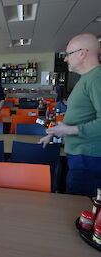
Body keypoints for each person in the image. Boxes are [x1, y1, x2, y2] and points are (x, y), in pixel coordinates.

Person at [39, 33, 101, 196]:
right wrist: (55, 133)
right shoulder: (87, 79)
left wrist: (68, 131)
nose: (65, 59)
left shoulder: (96, 78)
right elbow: (82, 116)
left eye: (68, 54)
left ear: (82, 53)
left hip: (89, 158)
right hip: (81, 155)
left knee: (80, 209)